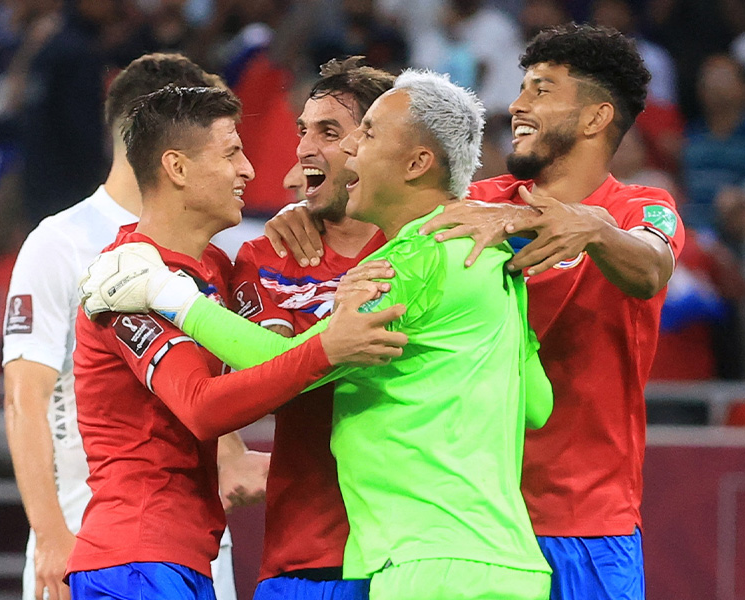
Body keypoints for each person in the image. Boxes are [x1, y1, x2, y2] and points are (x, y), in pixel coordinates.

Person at [80, 69, 554, 600]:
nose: (347, 151)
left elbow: (276, 361)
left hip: (420, 560)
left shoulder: (405, 264)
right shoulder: (491, 261)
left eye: (361, 133)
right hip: (507, 561)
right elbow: (537, 404)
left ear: (417, 161)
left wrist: (172, 297)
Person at [263, 24, 685, 600]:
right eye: (522, 88)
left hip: (587, 522)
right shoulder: (477, 205)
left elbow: (652, 267)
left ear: (595, 118)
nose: (517, 104)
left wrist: (585, 225)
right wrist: (310, 209)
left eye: (542, 89)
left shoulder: (641, 208)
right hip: (473, 523)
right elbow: (390, 192)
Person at [68, 84, 406, 600]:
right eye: (232, 154)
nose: (250, 170)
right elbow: (202, 407)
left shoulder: (217, 270)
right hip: (135, 554)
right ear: (177, 169)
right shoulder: (128, 279)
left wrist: (306, 214)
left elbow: (264, 358)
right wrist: (331, 347)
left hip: (182, 555)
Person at [2, 53, 261, 600]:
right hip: (91, 533)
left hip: (193, 538)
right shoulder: (61, 241)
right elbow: (25, 398)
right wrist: (50, 534)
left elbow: (205, 382)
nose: (243, 166)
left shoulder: (209, 249)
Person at [229, 57, 393, 600]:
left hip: (410, 554)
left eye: (329, 131)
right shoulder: (266, 254)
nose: (302, 148)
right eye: (304, 130)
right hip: (305, 554)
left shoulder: (430, 250)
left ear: (377, 145)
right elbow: (266, 379)